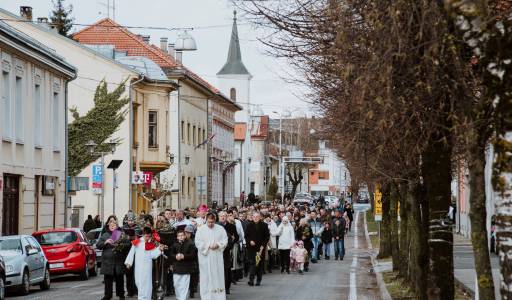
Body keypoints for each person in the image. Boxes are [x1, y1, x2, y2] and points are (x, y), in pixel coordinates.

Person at [125, 226, 165, 300]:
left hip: (147, 267)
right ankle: (141, 298)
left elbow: (153, 255)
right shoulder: (137, 242)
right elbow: (131, 252)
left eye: (149, 236)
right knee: (139, 283)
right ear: (143, 235)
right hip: (138, 267)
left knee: (148, 285)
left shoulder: (151, 243)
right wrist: (129, 263)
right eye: (146, 236)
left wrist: (159, 249)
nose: (147, 238)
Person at [195, 213, 228, 300]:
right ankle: (206, 296)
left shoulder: (220, 229)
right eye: (209, 222)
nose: (210, 224)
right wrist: (208, 246)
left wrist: (218, 244)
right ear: (206, 220)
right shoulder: (201, 230)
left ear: (215, 220)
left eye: (212, 222)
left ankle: (219, 296)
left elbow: (225, 240)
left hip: (217, 257)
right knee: (206, 277)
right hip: (205, 257)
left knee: (217, 276)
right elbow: (198, 242)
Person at [97, 219, 131, 300]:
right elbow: (98, 245)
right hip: (108, 261)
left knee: (120, 279)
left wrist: (120, 245)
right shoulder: (105, 235)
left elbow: (128, 244)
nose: (112, 226)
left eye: (114, 225)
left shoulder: (121, 234)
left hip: (118, 260)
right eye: (110, 225)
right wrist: (105, 242)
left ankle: (121, 295)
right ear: (108, 226)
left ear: (117, 226)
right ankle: (107, 295)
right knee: (108, 280)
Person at [245, 212, 270, 286]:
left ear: (260, 217)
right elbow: (246, 236)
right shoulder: (249, 225)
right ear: (252, 217)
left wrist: (263, 245)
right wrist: (250, 241)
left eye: (257, 217)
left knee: (259, 264)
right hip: (251, 248)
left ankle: (259, 280)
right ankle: (251, 280)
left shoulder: (264, 225)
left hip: (260, 248)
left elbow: (267, 237)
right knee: (252, 263)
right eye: (254, 217)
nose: (255, 218)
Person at [170, 230, 196, 300]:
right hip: (176, 267)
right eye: (179, 236)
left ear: (185, 236)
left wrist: (183, 256)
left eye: (182, 235)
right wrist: (176, 256)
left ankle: (183, 298)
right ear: (177, 237)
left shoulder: (190, 244)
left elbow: (193, 255)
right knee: (176, 285)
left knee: (184, 286)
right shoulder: (174, 244)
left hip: (186, 268)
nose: (181, 237)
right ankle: (179, 298)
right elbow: (171, 255)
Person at [217, 211, 238, 294]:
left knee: (227, 269)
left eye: (224, 216)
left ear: (226, 217)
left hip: (227, 250)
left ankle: (227, 287)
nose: (222, 217)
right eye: (221, 216)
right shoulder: (216, 226)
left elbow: (236, 237)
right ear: (218, 217)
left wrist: (232, 242)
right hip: (217, 251)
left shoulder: (231, 226)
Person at [123, 212, 142, 297]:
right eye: (129, 220)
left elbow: (139, 238)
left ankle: (136, 290)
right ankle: (129, 291)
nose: (130, 222)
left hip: (136, 252)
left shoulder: (138, 227)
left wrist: (131, 238)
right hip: (126, 252)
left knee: (136, 272)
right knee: (128, 272)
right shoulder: (123, 228)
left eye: (132, 220)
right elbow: (119, 237)